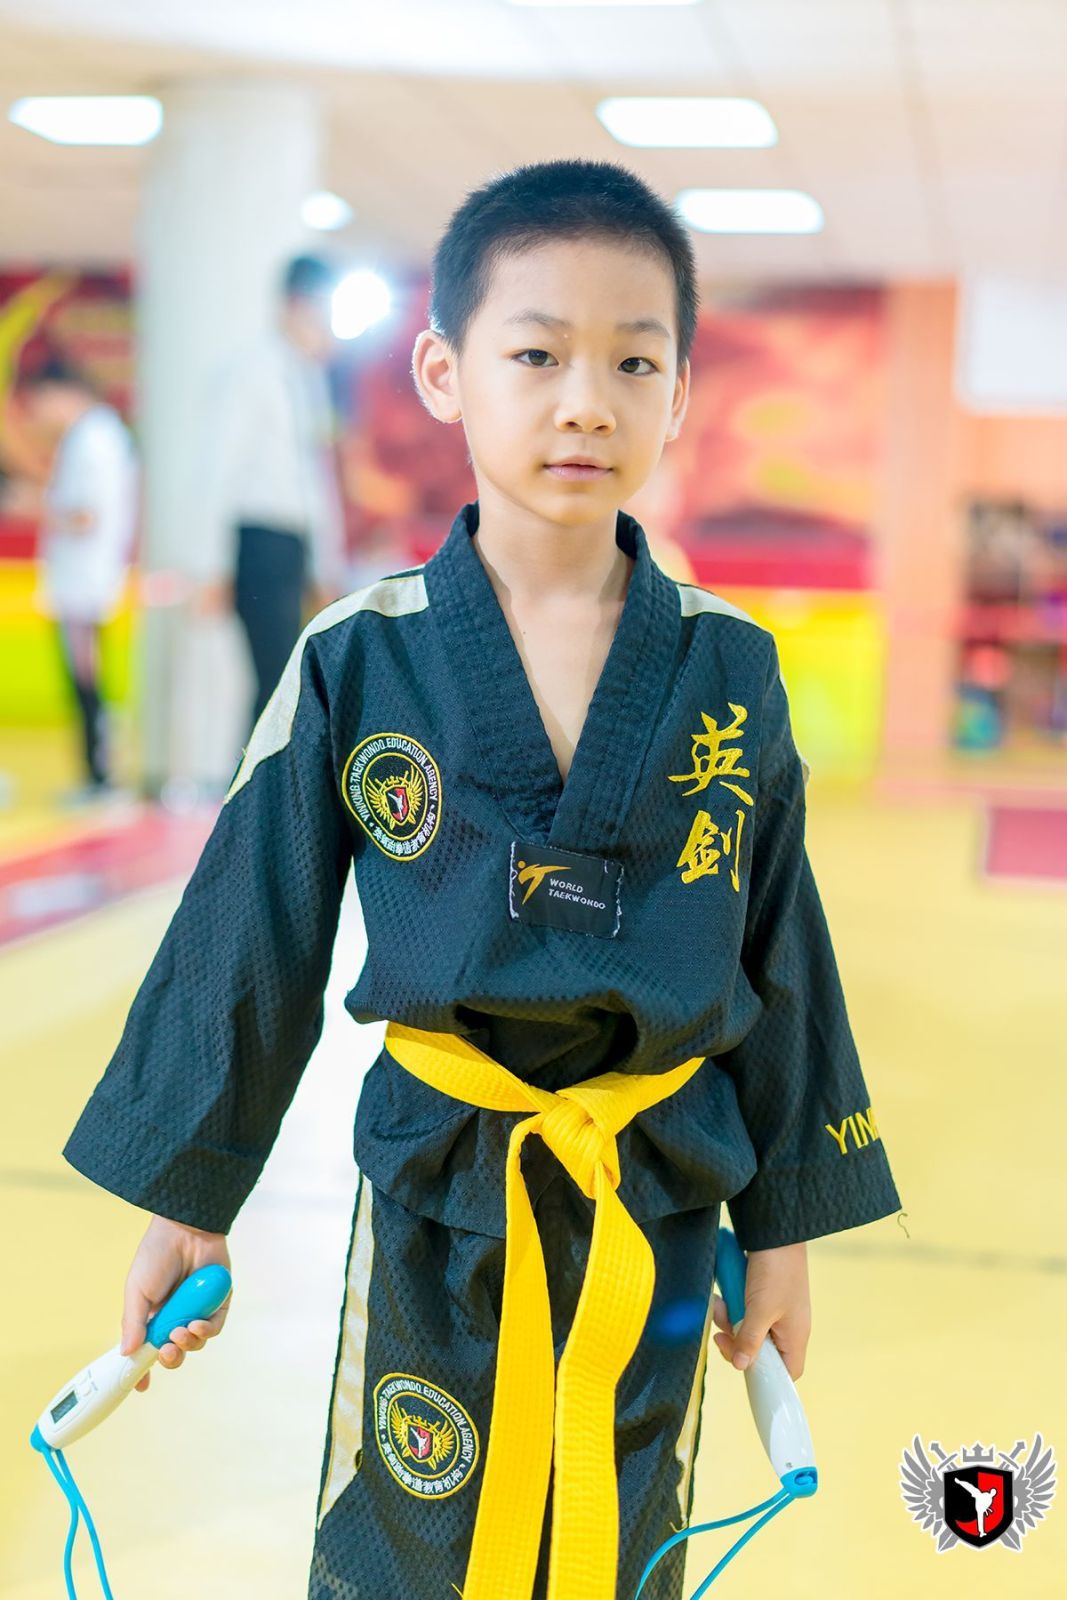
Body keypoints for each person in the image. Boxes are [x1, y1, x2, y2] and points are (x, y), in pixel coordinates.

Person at [60, 159, 903, 1600]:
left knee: (619, 1527)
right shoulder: (357, 656)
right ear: (444, 373)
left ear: (678, 395)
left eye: (632, 361)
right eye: (536, 355)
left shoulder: (729, 668)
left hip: (652, 1190)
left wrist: (782, 1229)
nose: (585, 402)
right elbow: (250, 926)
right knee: (411, 1527)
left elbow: (779, 949)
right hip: (438, 1188)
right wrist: (189, 1198)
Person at [195, 253, 349, 736]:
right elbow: (219, 470)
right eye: (324, 312)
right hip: (258, 540)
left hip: (294, 546)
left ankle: (266, 781)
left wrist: (325, 566)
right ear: (296, 304)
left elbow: (316, 478)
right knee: (273, 681)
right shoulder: (251, 371)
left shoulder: (310, 379)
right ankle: (252, 782)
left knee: (291, 680)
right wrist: (212, 566)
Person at [19, 354, 138, 799]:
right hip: (84, 576)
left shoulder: (94, 439)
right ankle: (96, 774)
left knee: (87, 678)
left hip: (86, 577)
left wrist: (33, 505)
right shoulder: (95, 436)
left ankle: (99, 776)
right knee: (85, 676)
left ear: (57, 393)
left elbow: (86, 516)